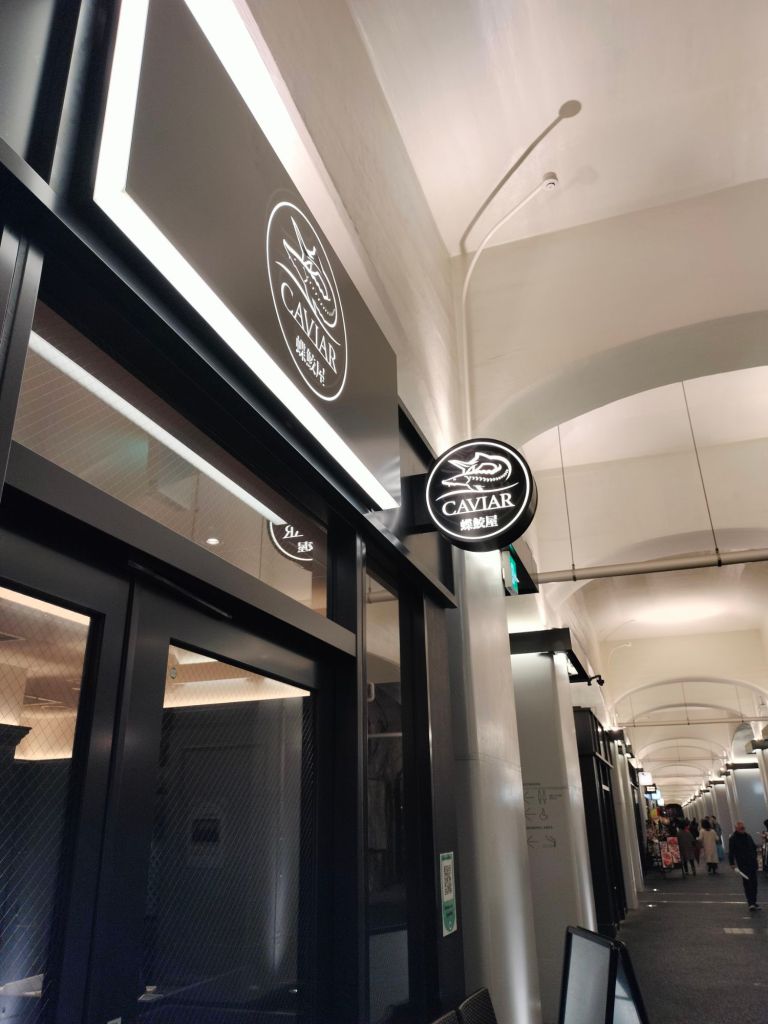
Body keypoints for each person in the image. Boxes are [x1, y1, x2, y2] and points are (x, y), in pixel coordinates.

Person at [729, 820, 760, 909]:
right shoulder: (733, 838)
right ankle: (751, 903)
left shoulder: (748, 836)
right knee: (748, 884)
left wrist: (756, 855)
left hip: (752, 863)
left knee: (754, 884)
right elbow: (731, 852)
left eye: (743, 828)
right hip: (743, 865)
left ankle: (754, 902)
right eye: (741, 828)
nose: (743, 829)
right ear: (736, 828)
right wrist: (732, 863)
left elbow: (753, 847)